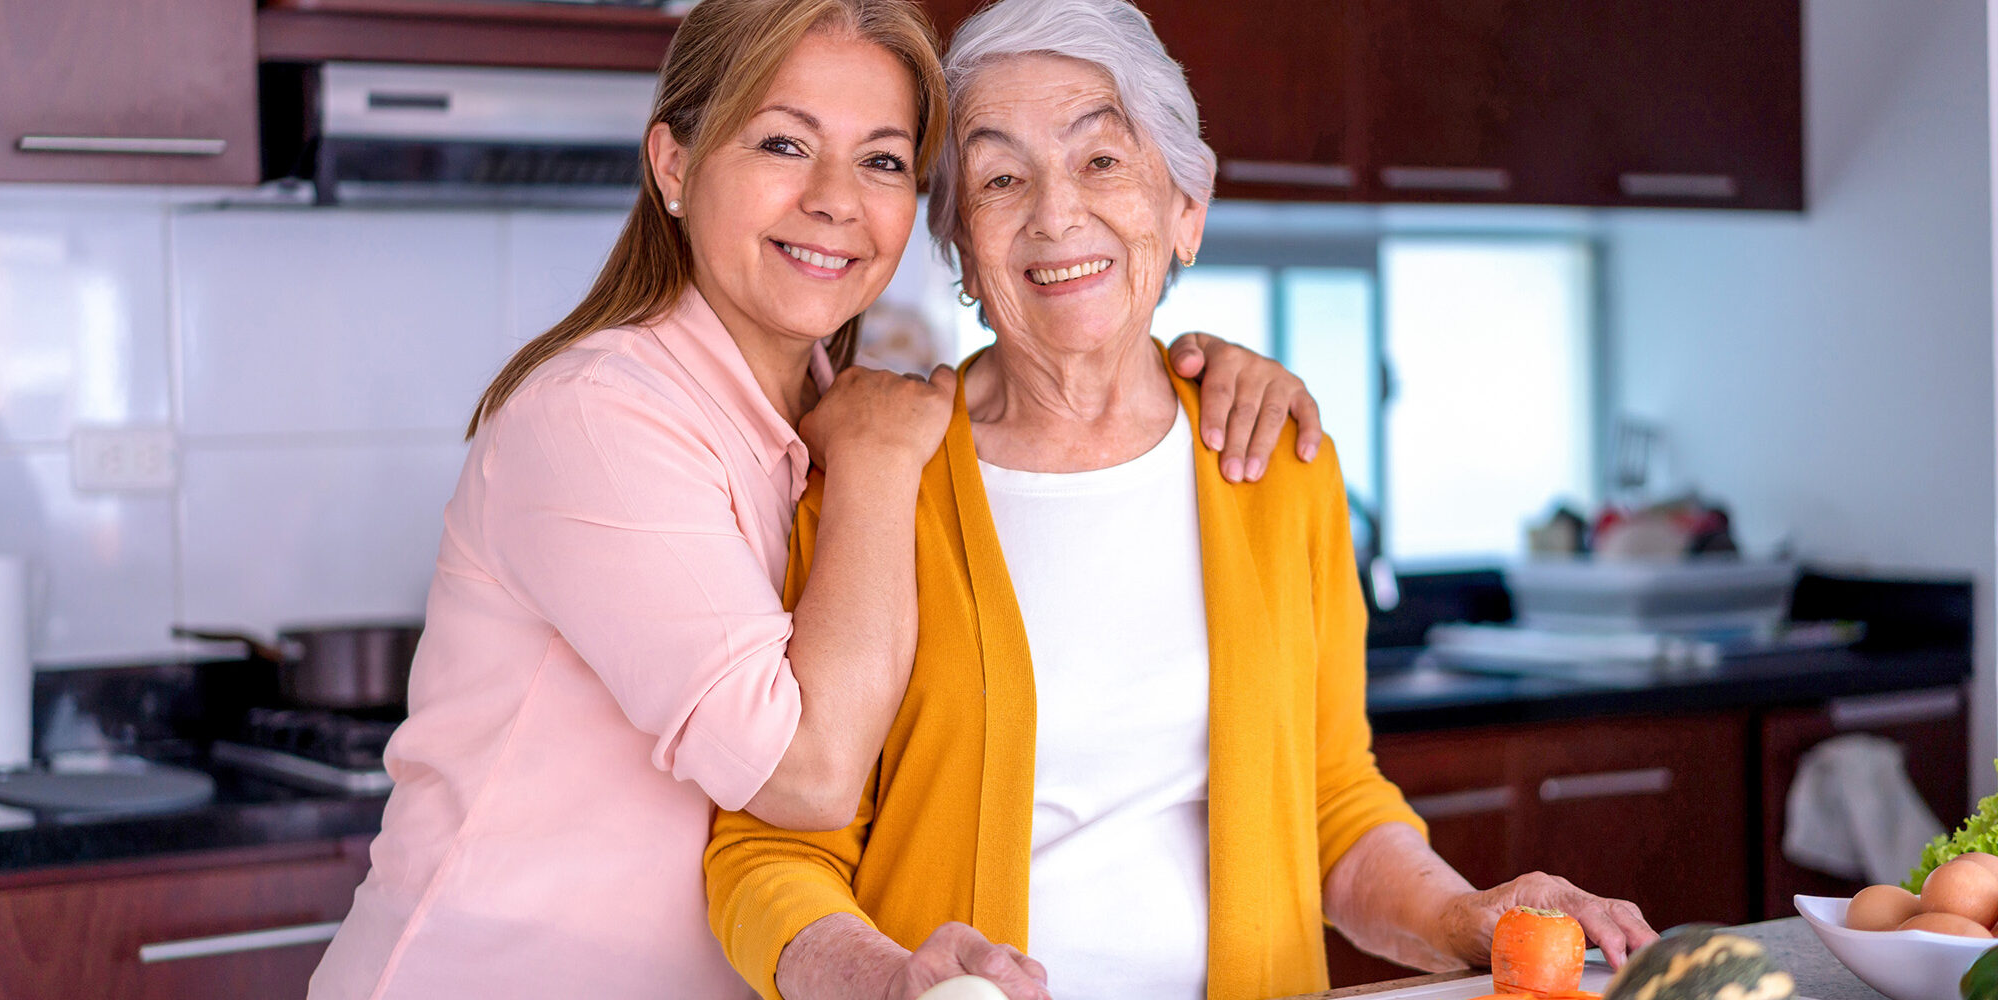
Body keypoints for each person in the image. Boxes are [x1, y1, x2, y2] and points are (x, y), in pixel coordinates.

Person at [307, 1, 1321, 997]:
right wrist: (879, 469)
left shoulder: (839, 421)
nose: (836, 198)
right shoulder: (602, 416)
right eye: (784, 145)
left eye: (881, 160)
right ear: (673, 164)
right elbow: (806, 776)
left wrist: (1199, 373)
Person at [702, 3, 1661, 1000]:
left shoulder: (1277, 461)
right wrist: (888, 982)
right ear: (955, 241)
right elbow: (765, 851)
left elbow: (1330, 801)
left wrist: (1464, 915)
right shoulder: (873, 472)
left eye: (1102, 161)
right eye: (997, 178)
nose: (1053, 213)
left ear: (1184, 212)